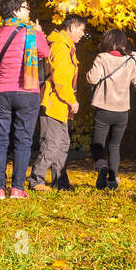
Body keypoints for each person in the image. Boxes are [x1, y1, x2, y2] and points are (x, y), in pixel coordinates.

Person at [0, 0, 51, 198]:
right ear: (16, 10)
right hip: (27, 91)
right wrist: (39, 33)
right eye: (26, 8)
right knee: (23, 140)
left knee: (0, 140)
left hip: (1, 91)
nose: (29, 11)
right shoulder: (31, 32)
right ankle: (17, 187)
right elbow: (45, 52)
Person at [85, 28, 136, 191]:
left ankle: (102, 165)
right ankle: (112, 180)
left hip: (103, 109)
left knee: (98, 144)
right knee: (114, 146)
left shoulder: (102, 57)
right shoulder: (129, 61)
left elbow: (92, 78)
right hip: (122, 111)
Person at [31, 14, 86, 191]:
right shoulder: (61, 47)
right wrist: (72, 100)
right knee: (52, 143)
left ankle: (60, 181)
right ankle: (36, 180)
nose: (82, 34)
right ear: (71, 28)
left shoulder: (66, 46)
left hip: (59, 104)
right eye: (81, 30)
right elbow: (61, 78)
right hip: (54, 102)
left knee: (63, 143)